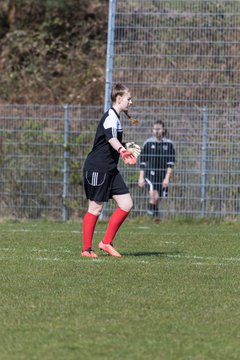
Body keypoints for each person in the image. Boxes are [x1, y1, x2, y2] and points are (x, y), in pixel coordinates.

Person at [81, 83, 141, 258]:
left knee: (126, 204)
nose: (131, 102)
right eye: (129, 99)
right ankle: (86, 249)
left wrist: (125, 146)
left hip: (110, 169)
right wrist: (122, 150)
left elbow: (114, 140)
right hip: (97, 168)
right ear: (119, 99)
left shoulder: (116, 117)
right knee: (95, 208)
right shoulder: (110, 117)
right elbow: (111, 139)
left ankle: (106, 243)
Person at [138, 120, 175, 217]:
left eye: (158, 129)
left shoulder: (169, 144)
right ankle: (152, 217)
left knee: (157, 198)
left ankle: (153, 216)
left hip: (162, 175)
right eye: (155, 129)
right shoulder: (148, 143)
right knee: (153, 195)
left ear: (163, 130)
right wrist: (141, 177)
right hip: (150, 174)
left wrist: (167, 178)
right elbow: (142, 161)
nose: (156, 131)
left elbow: (170, 164)